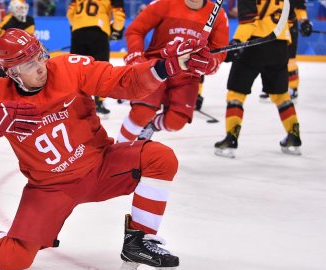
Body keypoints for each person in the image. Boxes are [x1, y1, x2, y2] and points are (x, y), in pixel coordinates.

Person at [0, 28, 213, 270]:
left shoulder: (68, 67)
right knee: (13, 260)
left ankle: (140, 242)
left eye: (40, 57)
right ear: (11, 72)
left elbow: (123, 81)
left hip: (100, 166)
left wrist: (170, 65)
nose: (41, 67)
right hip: (49, 188)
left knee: (160, 157)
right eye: (29, 64)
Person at [116, 0, 228, 143]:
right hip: (158, 66)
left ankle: (151, 125)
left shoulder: (219, 15)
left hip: (188, 74)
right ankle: (117, 152)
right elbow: (135, 30)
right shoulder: (164, 3)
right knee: (141, 113)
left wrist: (209, 63)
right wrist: (136, 56)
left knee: (175, 122)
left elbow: (219, 53)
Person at [214, 0, 302, 158]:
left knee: (236, 93)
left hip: (255, 44)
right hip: (280, 46)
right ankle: (294, 135)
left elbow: (249, 22)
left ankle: (231, 138)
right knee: (281, 95)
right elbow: (291, 23)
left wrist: (237, 43)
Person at [66, 0, 126, 116]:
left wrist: (78, 25)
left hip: (78, 32)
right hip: (99, 32)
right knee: (101, 69)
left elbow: (70, 12)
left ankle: (74, 102)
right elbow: (119, 15)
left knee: (75, 69)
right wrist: (115, 30)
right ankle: (99, 103)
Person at [259, 0, 312, 101]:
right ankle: (269, 87)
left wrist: (304, 21)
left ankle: (293, 88)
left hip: (289, 26)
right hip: (269, 26)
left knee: (290, 59)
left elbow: (300, 6)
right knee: (268, 58)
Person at [0, 0, 35, 84]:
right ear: (13, 9)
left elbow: (28, 38)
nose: (22, 10)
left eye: (23, 8)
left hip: (12, 51)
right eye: (19, 8)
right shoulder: (7, 21)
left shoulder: (30, 20)